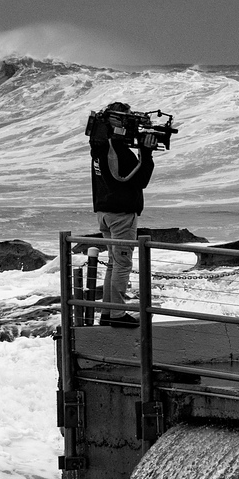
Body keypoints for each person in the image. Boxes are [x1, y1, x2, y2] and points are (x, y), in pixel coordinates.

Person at [90, 102, 155, 328]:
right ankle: (118, 315)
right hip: (121, 215)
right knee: (122, 265)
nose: (131, 126)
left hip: (104, 212)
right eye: (127, 120)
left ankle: (108, 312)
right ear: (117, 122)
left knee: (113, 263)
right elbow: (141, 180)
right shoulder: (119, 152)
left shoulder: (99, 146)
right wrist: (145, 153)